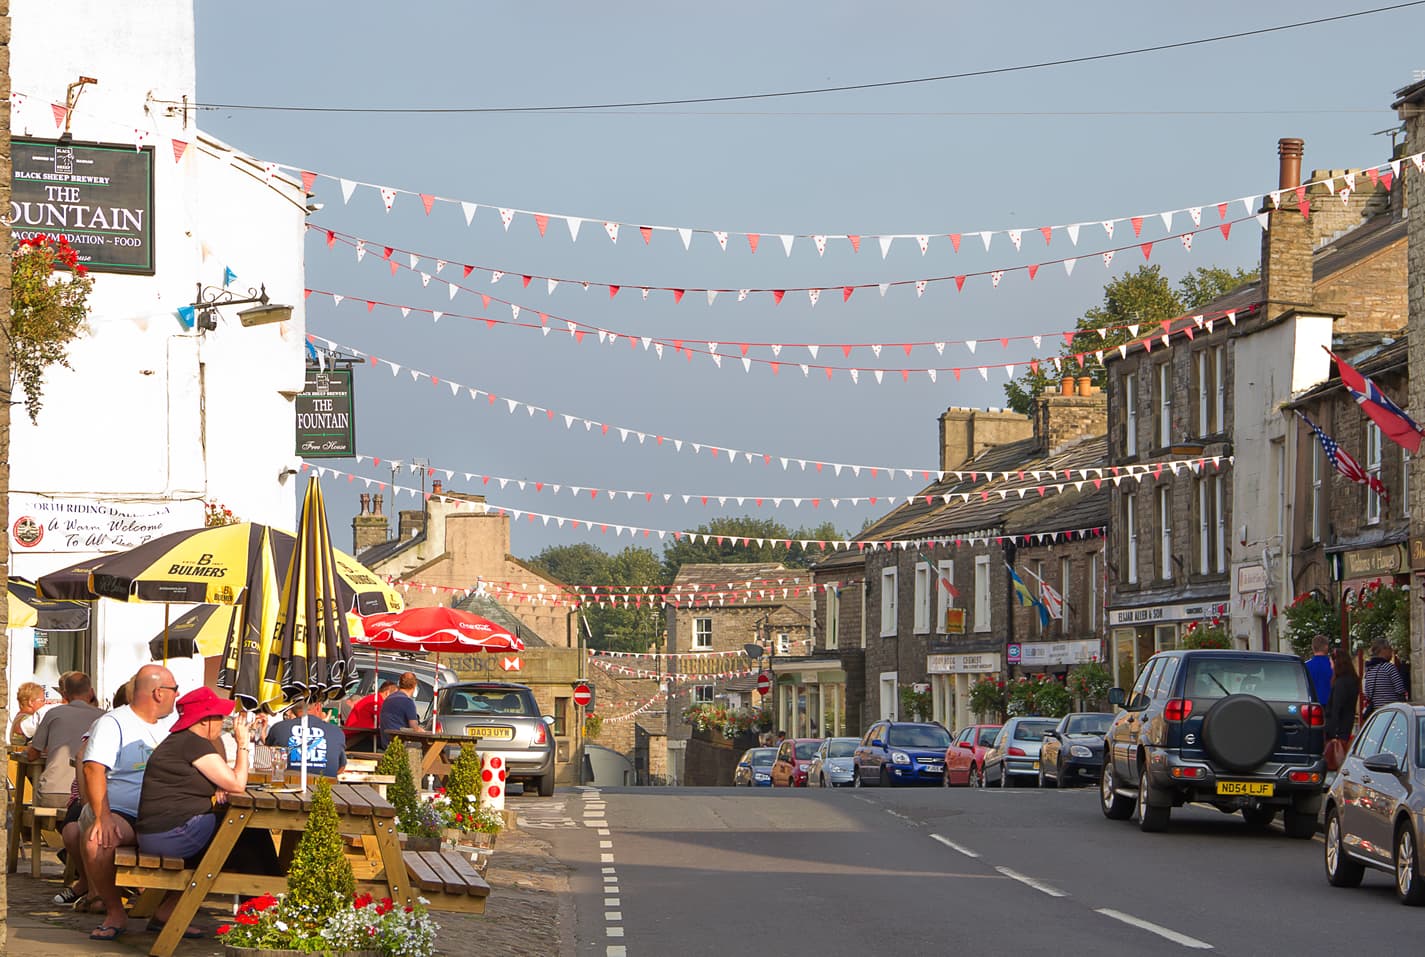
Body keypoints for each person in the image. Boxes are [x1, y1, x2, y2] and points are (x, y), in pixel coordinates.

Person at [136, 687, 275, 937]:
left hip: (161, 833)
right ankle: (262, 915)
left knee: (245, 836)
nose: (223, 724)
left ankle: (260, 911)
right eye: (219, 718)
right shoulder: (193, 744)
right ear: (204, 720)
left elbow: (219, 782)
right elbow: (237, 785)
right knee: (248, 835)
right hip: (172, 835)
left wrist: (217, 788)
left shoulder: (182, 742)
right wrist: (243, 744)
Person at [80, 664, 179, 942]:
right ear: (159, 693)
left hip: (169, 813)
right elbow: (93, 768)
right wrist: (103, 816)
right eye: (174, 690)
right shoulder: (114, 722)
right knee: (97, 841)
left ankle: (169, 911)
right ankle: (115, 911)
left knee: (217, 837)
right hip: (127, 812)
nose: (177, 696)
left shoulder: (175, 725)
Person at [26, 671, 102, 808]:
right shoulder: (104, 718)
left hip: (54, 792)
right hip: (90, 792)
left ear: (64, 694)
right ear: (91, 693)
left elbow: (32, 755)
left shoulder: (53, 714)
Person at [266, 699, 347, 778]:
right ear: (318, 707)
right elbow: (341, 768)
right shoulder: (336, 731)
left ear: (291, 707)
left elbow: (266, 759)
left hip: (286, 787)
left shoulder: (278, 728)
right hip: (324, 788)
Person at [1362, 638, 1408, 718]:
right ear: (1383, 650)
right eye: (1390, 648)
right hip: (1392, 713)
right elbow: (1400, 690)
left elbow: (1368, 694)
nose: (1391, 651)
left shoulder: (1369, 671)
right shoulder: (1389, 667)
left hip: (1377, 715)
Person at [346, 680, 395, 751]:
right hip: (358, 735)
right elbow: (383, 722)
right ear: (387, 693)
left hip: (359, 733)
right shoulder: (377, 702)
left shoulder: (373, 698)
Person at [1325, 647, 1359, 743]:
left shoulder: (1341, 683)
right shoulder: (1352, 680)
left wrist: (1332, 731)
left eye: (1331, 662)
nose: (1331, 665)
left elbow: (1337, 707)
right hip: (1346, 725)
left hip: (1338, 730)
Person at [377, 673, 421, 748]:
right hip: (400, 744)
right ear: (414, 686)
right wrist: (424, 731)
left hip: (386, 742)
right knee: (424, 746)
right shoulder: (407, 702)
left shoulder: (388, 699)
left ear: (399, 684)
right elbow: (414, 727)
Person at [1305, 634, 1333, 707]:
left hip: (1311, 703)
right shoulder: (1333, 665)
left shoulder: (1305, 666)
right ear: (1326, 647)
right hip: (1330, 703)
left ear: (1313, 647)